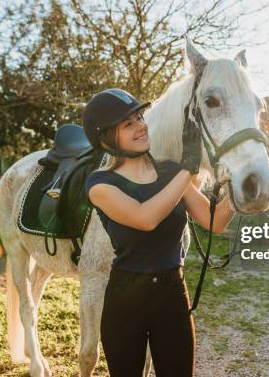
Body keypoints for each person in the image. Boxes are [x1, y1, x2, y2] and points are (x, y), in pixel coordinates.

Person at [82, 88, 235, 377]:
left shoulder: (170, 173)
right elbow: (145, 218)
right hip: (125, 301)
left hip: (172, 295)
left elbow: (214, 221)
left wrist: (242, 191)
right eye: (129, 124)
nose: (141, 125)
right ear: (106, 138)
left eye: (140, 117)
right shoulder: (100, 184)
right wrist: (187, 171)